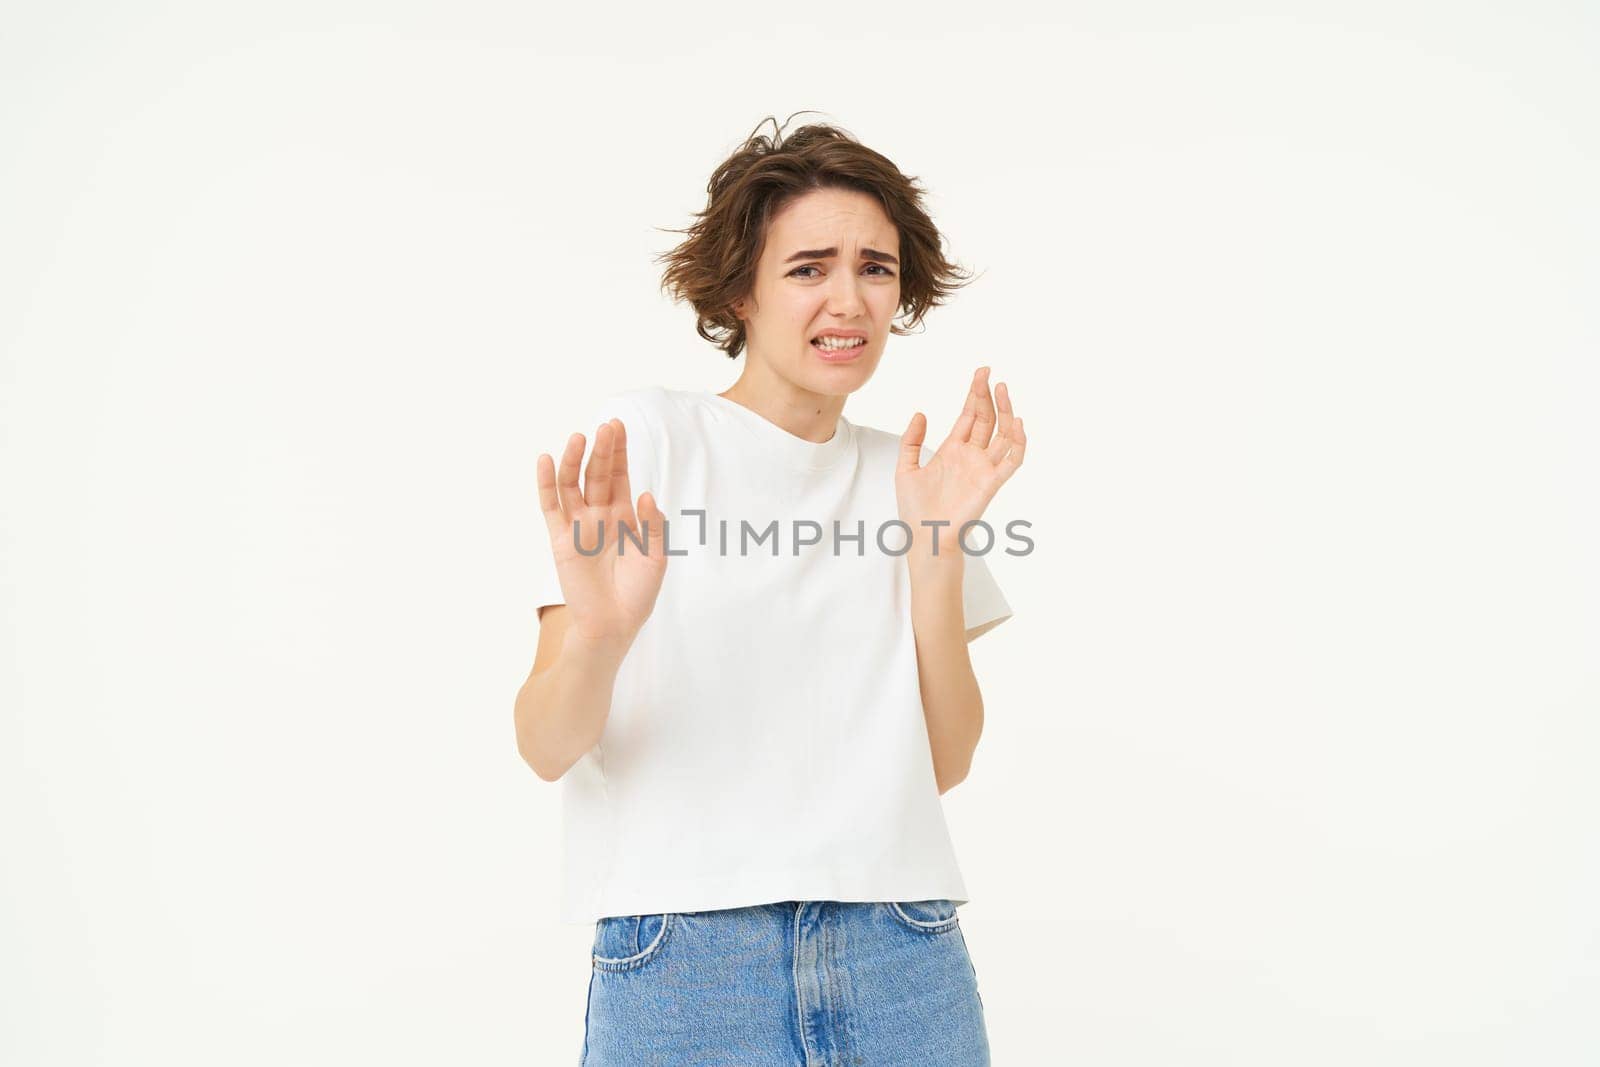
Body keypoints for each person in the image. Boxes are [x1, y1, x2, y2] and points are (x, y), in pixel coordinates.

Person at [514, 114, 1027, 1066]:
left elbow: (944, 762)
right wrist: (598, 631)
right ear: (740, 293)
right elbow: (547, 745)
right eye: (808, 268)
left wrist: (936, 552)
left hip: (902, 951)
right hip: (688, 963)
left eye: (876, 267)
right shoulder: (652, 440)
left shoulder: (914, 477)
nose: (850, 298)